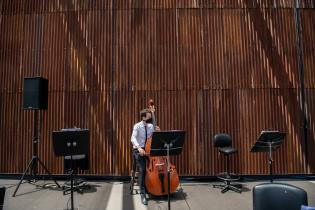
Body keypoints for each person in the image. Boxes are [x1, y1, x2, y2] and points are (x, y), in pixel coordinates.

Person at [131, 108, 157, 205]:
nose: (150, 115)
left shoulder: (150, 126)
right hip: (138, 150)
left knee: (154, 167)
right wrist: (139, 148)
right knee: (142, 169)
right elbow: (133, 138)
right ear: (143, 117)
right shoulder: (137, 126)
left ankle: (151, 186)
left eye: (150, 114)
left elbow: (154, 137)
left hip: (148, 149)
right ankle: (143, 193)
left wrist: (158, 131)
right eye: (148, 114)